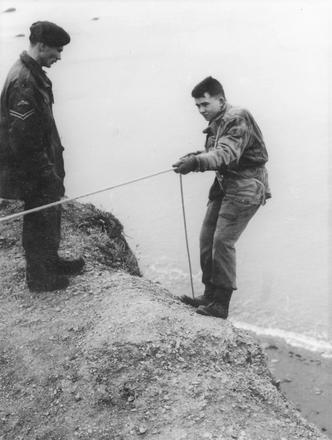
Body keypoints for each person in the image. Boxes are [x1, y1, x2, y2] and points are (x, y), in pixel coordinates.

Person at [173, 76, 270, 319]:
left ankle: (221, 304)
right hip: (225, 186)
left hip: (246, 187)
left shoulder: (237, 117)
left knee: (222, 242)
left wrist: (195, 163)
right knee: (207, 239)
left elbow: (226, 154)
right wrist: (194, 156)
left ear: (221, 100)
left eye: (205, 104)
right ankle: (209, 295)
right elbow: (214, 152)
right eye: (197, 106)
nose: (201, 110)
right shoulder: (219, 120)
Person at [0, 21, 84, 292]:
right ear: (42, 46)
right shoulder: (25, 81)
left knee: (49, 212)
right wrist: (47, 173)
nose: (59, 57)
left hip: (41, 163)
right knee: (39, 216)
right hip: (32, 168)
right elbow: (24, 141)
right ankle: (39, 276)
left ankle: (49, 262)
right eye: (57, 50)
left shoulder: (33, 74)